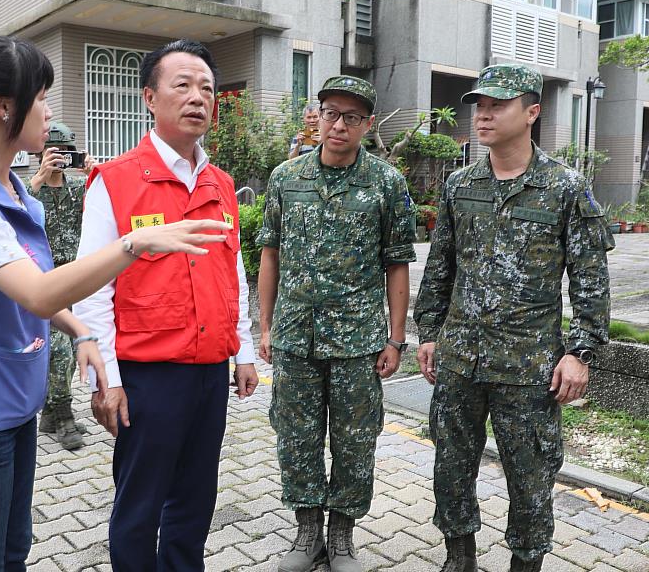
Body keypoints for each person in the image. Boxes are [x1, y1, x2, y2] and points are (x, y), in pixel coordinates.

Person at [0, 35, 231, 572]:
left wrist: (80, 333)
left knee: (12, 553)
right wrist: (134, 244)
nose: (50, 111)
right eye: (42, 96)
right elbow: (40, 290)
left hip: (16, 410)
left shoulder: (15, 191)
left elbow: (32, 290)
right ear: (3, 106)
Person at [413, 64, 614, 572]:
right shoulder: (460, 185)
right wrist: (431, 333)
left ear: (531, 112)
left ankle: (526, 563)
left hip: (528, 367)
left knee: (530, 475)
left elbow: (590, 278)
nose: (483, 114)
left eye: (497, 105)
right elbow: (440, 267)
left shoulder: (566, 187)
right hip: (460, 360)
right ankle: (459, 560)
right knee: (452, 467)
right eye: (479, 105)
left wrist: (580, 352)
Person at [72, 38, 259, 571]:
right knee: (140, 503)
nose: (198, 97)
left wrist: (242, 351)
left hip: (208, 372)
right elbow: (93, 288)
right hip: (146, 376)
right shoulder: (116, 181)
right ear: (150, 98)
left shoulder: (221, 185)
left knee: (196, 500)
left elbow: (232, 273)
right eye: (182, 85)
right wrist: (104, 381)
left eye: (207, 88)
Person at [257, 75, 416, 572]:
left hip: (357, 341)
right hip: (295, 338)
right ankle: (308, 533)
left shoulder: (387, 183)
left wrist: (395, 337)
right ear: (317, 117)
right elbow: (270, 255)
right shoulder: (286, 177)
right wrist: (264, 327)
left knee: (354, 440)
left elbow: (397, 264)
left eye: (351, 117)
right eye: (331, 113)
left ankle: (342, 534)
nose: (339, 124)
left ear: (368, 124)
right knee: (296, 435)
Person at [28, 122, 97, 450]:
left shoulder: (80, 188)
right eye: (53, 152)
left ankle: (50, 416)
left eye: (65, 152)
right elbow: (15, 216)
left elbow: (106, 207)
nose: (59, 158)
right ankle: (64, 416)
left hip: (77, 280)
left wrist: (95, 173)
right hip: (45, 281)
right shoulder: (31, 189)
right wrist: (39, 178)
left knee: (70, 349)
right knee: (58, 351)